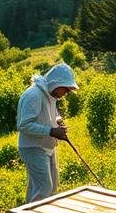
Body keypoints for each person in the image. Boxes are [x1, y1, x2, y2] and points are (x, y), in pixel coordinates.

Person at [17, 63, 79, 202]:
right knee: (43, 188)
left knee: (51, 187)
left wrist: (58, 121)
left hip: (47, 147)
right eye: (66, 89)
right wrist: (51, 131)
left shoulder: (50, 94)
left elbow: (50, 114)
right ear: (57, 83)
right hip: (33, 148)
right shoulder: (34, 95)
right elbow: (24, 125)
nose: (66, 94)